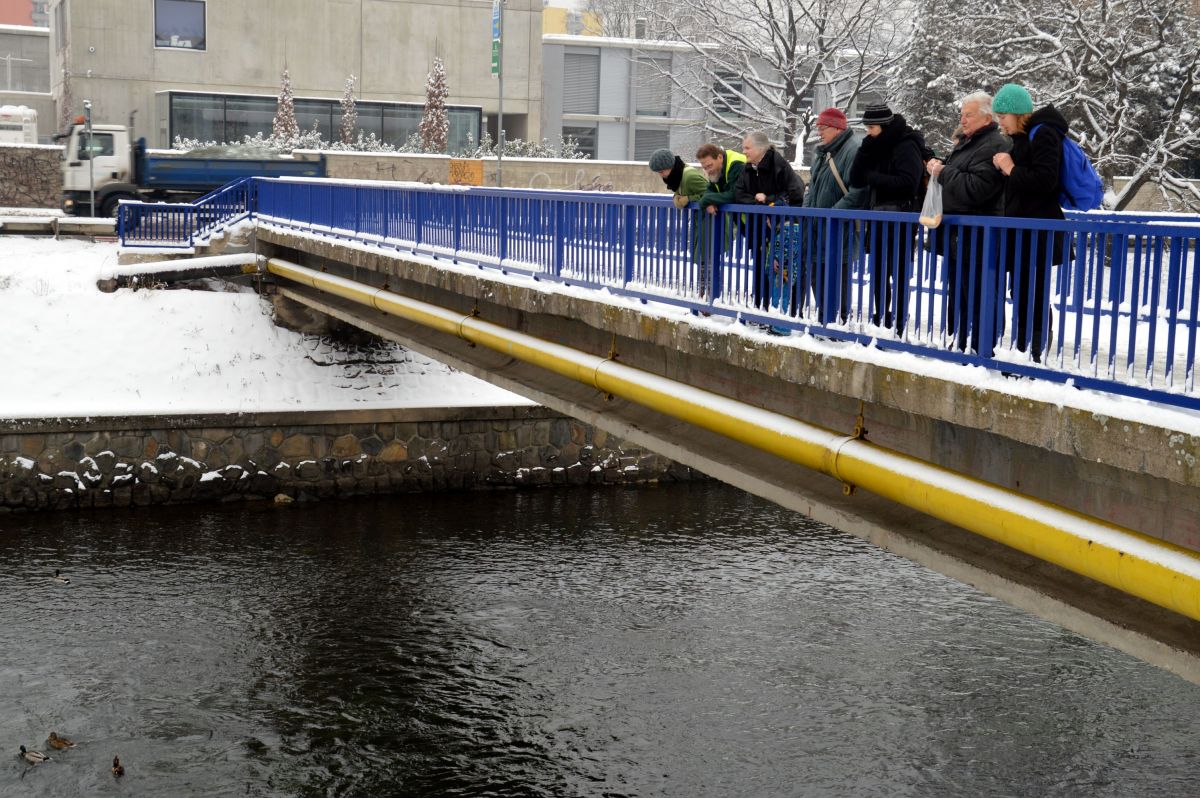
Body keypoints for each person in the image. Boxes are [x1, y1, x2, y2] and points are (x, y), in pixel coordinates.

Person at [927, 91, 1009, 355]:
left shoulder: (994, 144)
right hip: (960, 237)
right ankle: (962, 343)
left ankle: (982, 347)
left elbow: (977, 188)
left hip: (979, 238)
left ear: (986, 117)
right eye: (961, 114)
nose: (962, 120)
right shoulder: (969, 143)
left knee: (979, 295)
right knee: (960, 294)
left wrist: (944, 172)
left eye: (968, 115)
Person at [990, 83, 1066, 363]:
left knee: (1032, 291)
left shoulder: (1043, 134)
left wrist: (1011, 169)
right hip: (1022, 230)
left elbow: (1046, 181)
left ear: (1018, 113)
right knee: (1022, 290)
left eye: (1003, 116)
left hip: (1038, 230)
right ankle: (1024, 349)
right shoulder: (1023, 137)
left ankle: (1034, 352)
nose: (1000, 121)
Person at [848, 102, 925, 331]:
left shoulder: (905, 145)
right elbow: (856, 179)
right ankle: (880, 316)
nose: (868, 132)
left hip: (901, 216)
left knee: (898, 272)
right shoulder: (875, 145)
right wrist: (864, 149)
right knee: (879, 271)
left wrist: (874, 176)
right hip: (880, 216)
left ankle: (899, 321)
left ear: (882, 125)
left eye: (871, 128)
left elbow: (908, 183)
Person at [803, 107, 868, 322]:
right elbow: (813, 189)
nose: (819, 132)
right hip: (816, 228)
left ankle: (837, 324)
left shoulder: (853, 150)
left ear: (837, 128)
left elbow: (860, 191)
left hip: (839, 229)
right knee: (816, 275)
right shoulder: (822, 153)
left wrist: (833, 215)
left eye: (823, 128)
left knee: (836, 278)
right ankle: (826, 320)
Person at [733, 130, 805, 309]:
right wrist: (761, 206)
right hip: (759, 229)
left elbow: (795, 193)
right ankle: (760, 309)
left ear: (760, 148)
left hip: (782, 230)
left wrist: (768, 200)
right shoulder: (747, 168)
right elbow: (739, 194)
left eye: (747, 148)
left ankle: (783, 314)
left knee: (782, 271)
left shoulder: (779, 164)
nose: (744, 152)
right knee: (761, 270)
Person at [648, 148, 711, 298]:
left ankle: (709, 298)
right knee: (703, 260)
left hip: (711, 223)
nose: (661, 175)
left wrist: (688, 199)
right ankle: (706, 297)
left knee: (706, 260)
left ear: (670, 166)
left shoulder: (688, 176)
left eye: (662, 171)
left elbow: (710, 194)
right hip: (702, 223)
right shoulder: (679, 176)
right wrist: (679, 198)